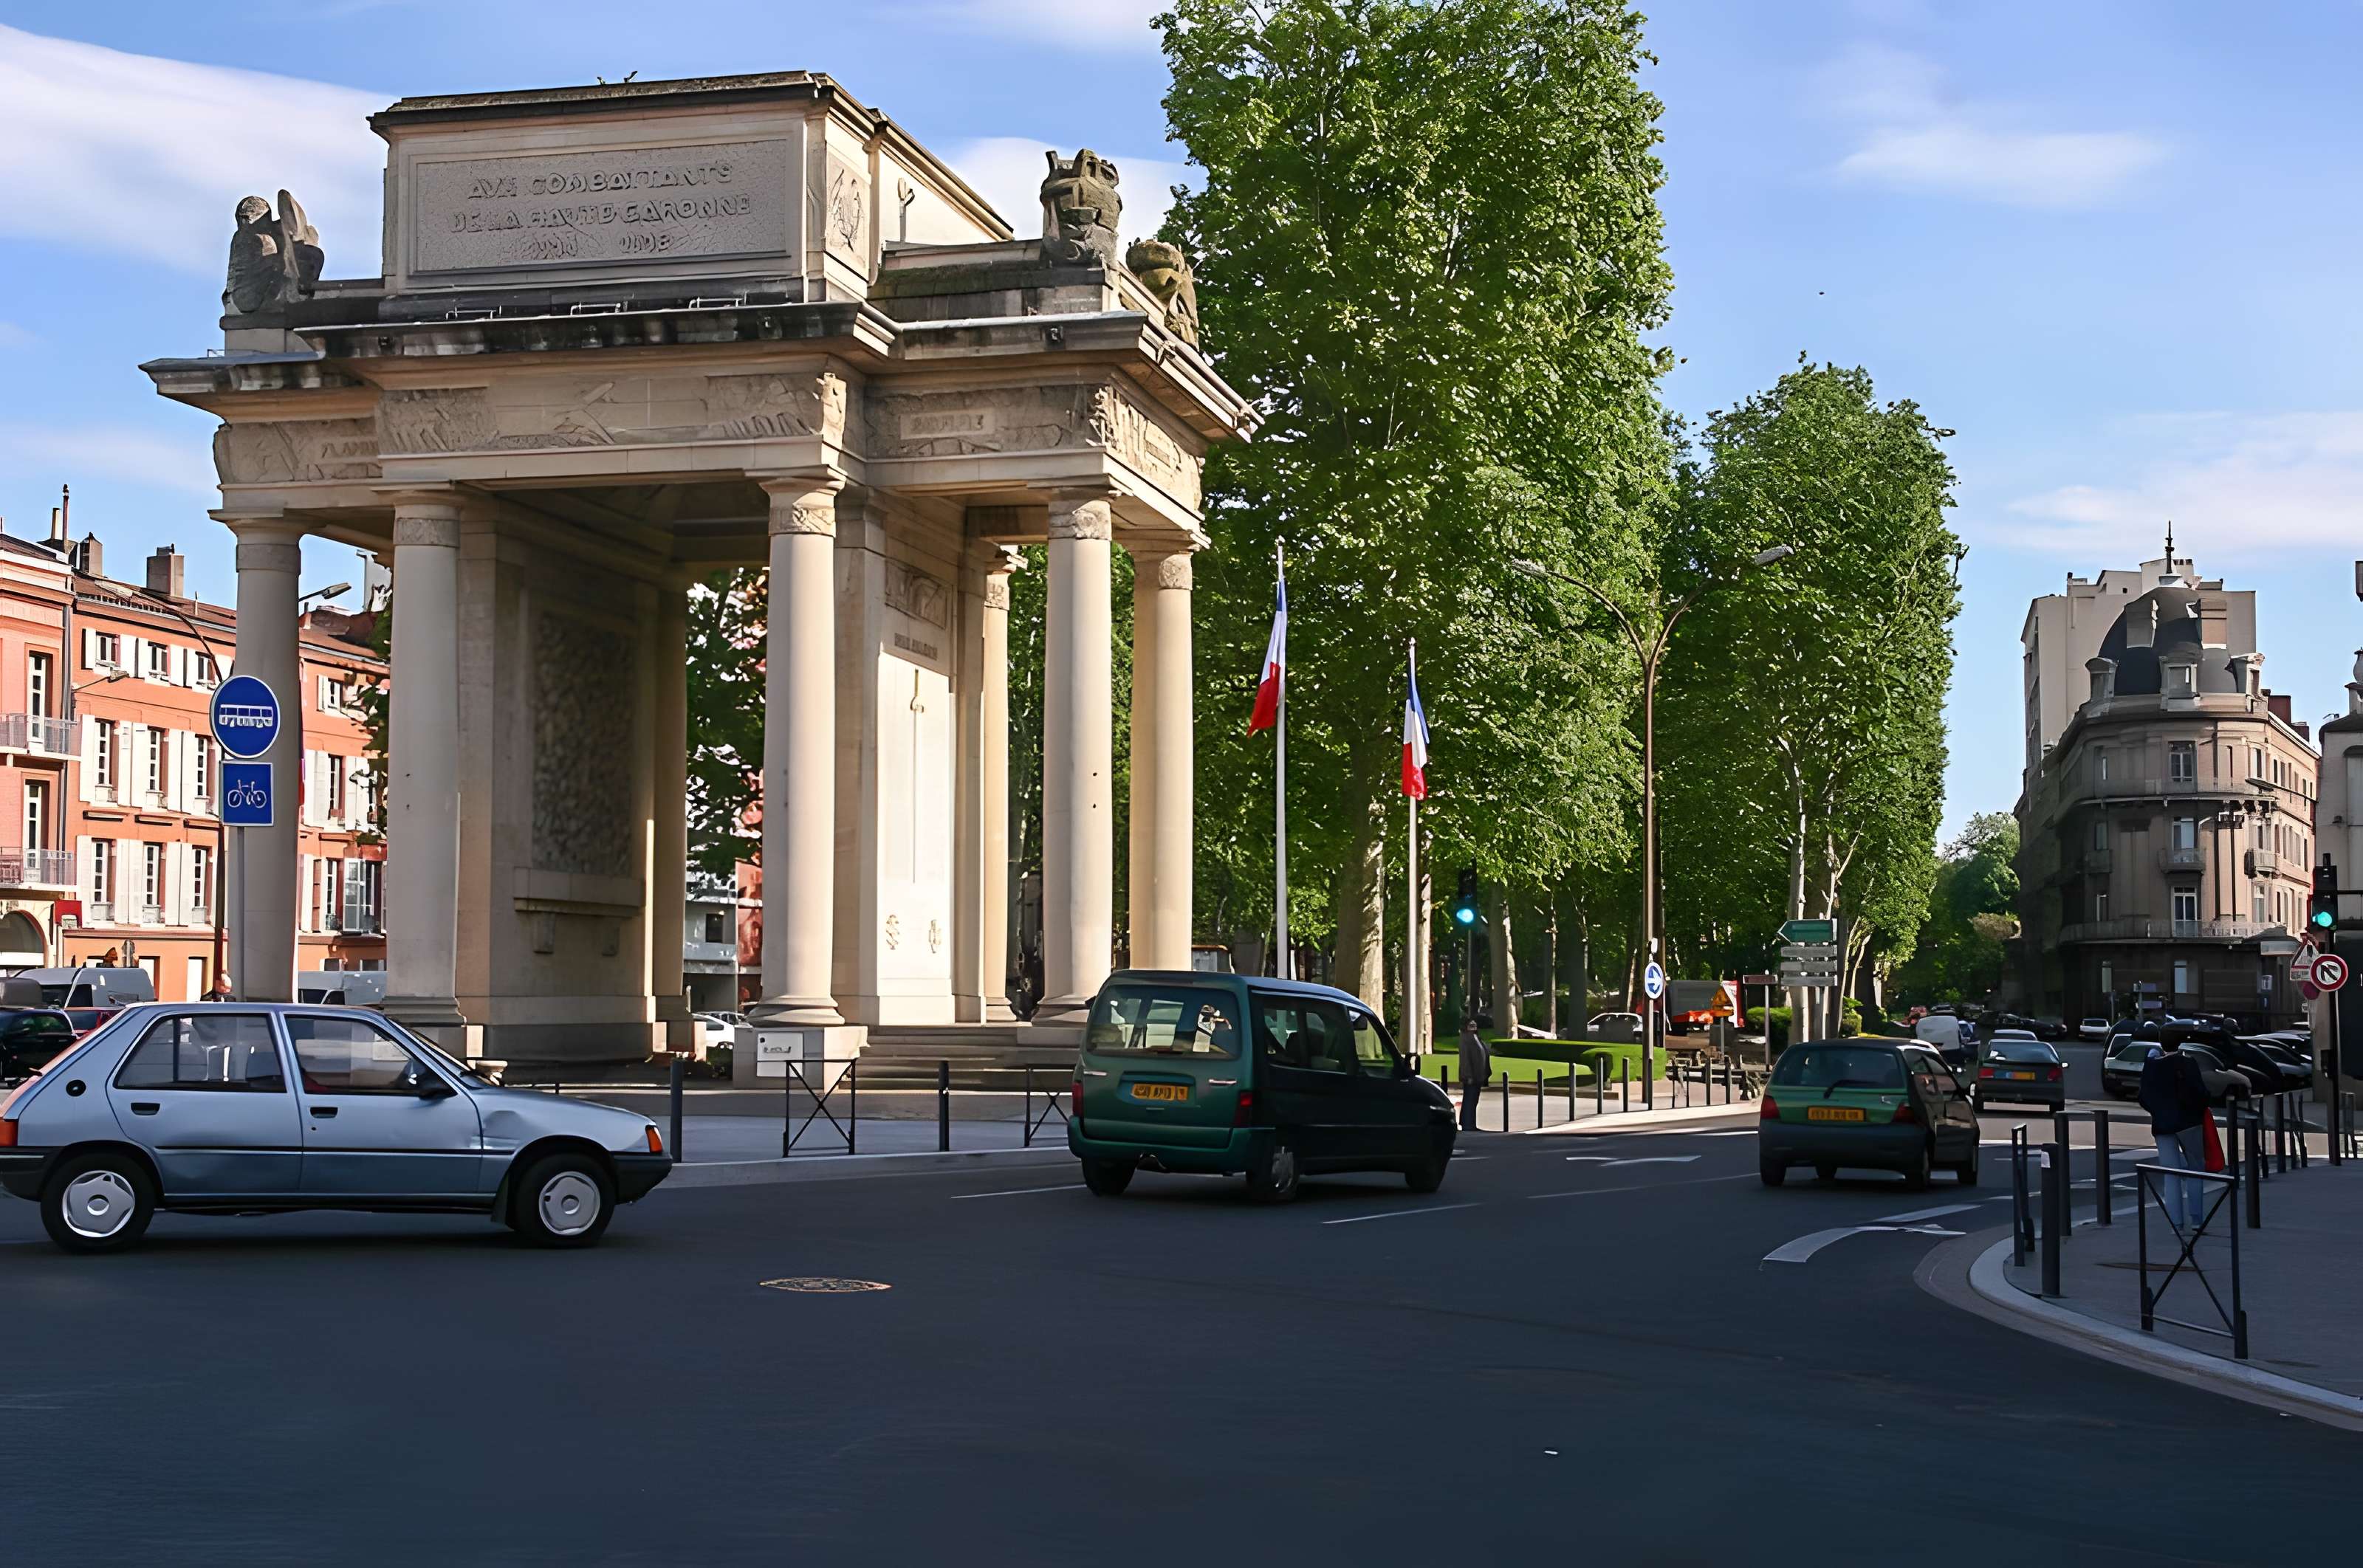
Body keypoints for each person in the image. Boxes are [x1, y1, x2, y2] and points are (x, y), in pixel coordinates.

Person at [2137, 1043, 2245, 1231]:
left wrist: (2159, 1112)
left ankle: (2176, 1224)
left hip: (2163, 1125)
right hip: (2189, 1124)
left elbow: (2143, 1097)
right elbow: (2201, 1094)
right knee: (2195, 1170)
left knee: (2171, 1174)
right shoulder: (2188, 1063)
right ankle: (2196, 1219)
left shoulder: (2152, 1065)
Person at [1458, 1016, 1492, 1132]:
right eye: (1471, 1025)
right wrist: (1468, 1076)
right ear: (1466, 1027)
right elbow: (1465, 1060)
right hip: (1471, 1076)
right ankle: (1468, 1124)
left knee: (1473, 1100)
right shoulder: (1466, 1039)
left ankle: (1470, 1123)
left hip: (1477, 1075)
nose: (1473, 1027)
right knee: (1470, 1100)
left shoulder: (1475, 1037)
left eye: (1474, 1025)